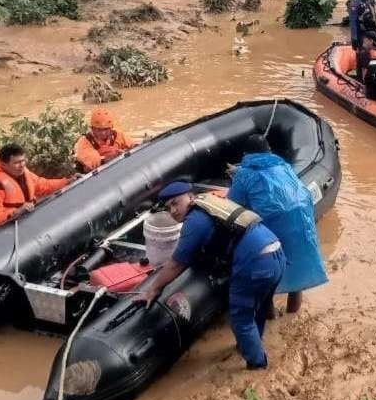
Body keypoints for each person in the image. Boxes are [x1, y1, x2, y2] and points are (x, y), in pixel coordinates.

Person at [135, 179, 286, 369]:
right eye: (168, 207)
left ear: (190, 197)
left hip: (255, 263)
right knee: (259, 306)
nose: (172, 210)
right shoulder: (210, 203)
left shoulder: (195, 221)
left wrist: (152, 289)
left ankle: (257, 367)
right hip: (276, 251)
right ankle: (251, 345)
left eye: (175, 203)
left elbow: (175, 265)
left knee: (240, 318)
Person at [227, 134, 326, 315]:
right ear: (269, 151)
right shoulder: (284, 166)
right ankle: (292, 317)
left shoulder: (243, 175)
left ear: (245, 154)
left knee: (268, 280)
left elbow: (232, 204)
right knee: (298, 275)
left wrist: (237, 177)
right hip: (302, 223)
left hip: (274, 228)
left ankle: (271, 321)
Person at [0, 144, 69, 227]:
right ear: (3, 164)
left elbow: (44, 186)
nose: (22, 165)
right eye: (17, 163)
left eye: (23, 161)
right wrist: (17, 211)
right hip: (12, 226)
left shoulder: (24, 173)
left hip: (29, 217)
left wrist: (67, 181)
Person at [74, 107, 136, 173]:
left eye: (106, 129)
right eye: (99, 130)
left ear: (111, 128)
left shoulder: (118, 135)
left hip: (119, 169)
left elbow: (133, 145)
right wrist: (108, 158)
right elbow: (93, 161)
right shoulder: (85, 141)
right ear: (92, 128)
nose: (103, 133)